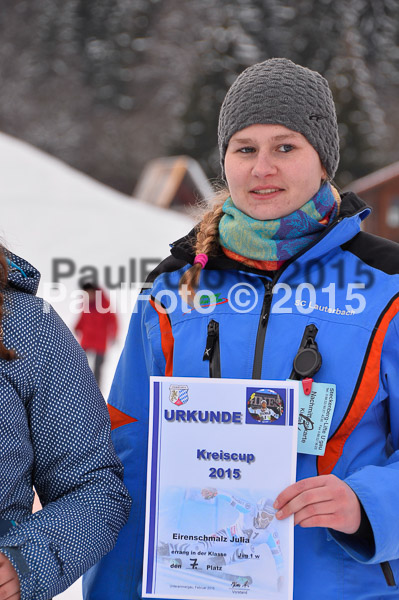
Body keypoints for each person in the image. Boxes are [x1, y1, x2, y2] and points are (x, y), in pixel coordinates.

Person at [84, 58, 399, 599]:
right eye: (245, 149)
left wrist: (369, 505)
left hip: (344, 585)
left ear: (322, 159)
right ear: (225, 160)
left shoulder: (386, 285)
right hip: (197, 582)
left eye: (285, 147)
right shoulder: (173, 287)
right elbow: (130, 456)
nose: (262, 168)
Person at [0, 246, 131, 599]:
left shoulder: (26, 325)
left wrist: (22, 562)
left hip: (94, 346)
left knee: (98, 369)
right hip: (88, 341)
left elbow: (92, 486)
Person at [74, 283, 118, 386]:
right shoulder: (85, 303)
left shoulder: (105, 304)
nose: (88, 295)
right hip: (87, 338)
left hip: (100, 341)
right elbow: (83, 317)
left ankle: (96, 389)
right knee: (80, 362)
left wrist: (114, 334)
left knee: (98, 367)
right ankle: (81, 385)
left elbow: (113, 320)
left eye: (89, 293)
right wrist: (77, 326)